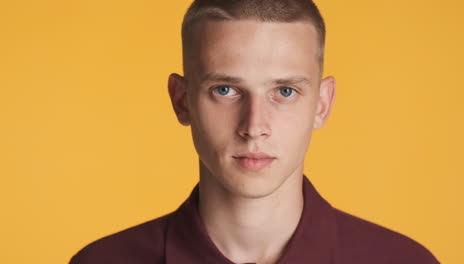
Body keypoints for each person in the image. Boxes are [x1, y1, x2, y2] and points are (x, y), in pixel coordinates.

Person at [70, 0, 440, 263]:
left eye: (284, 91)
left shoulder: (404, 260)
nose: (254, 127)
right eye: (225, 90)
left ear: (322, 104)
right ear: (182, 101)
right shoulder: (103, 260)